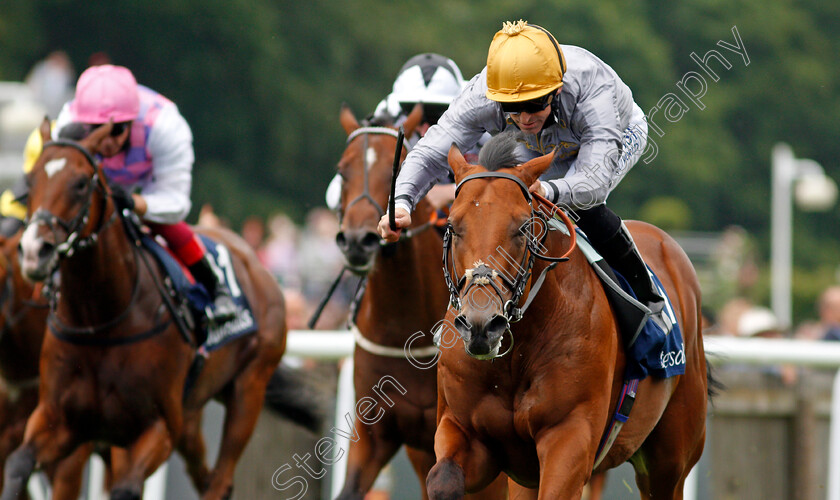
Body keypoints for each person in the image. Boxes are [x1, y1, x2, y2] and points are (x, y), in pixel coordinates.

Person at [377, 20, 670, 330]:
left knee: (582, 207)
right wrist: (401, 202)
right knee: (504, 203)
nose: (525, 117)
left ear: (556, 91)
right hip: (536, 145)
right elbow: (430, 151)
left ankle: (646, 298)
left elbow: (593, 181)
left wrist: (551, 191)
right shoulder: (482, 95)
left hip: (615, 134)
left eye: (533, 104)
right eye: (513, 108)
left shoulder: (594, 93)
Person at [52, 64, 237, 322]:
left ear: (132, 121)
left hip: (147, 183)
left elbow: (176, 204)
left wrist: (134, 202)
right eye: (96, 129)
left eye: (116, 130)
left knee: (163, 224)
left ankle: (216, 290)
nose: (106, 141)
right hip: (94, 183)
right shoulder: (68, 123)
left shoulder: (164, 126)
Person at [326, 53, 472, 211]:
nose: (424, 130)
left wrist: (451, 191)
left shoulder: (480, 115)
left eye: (436, 115)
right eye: (415, 115)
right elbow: (334, 197)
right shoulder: (389, 116)